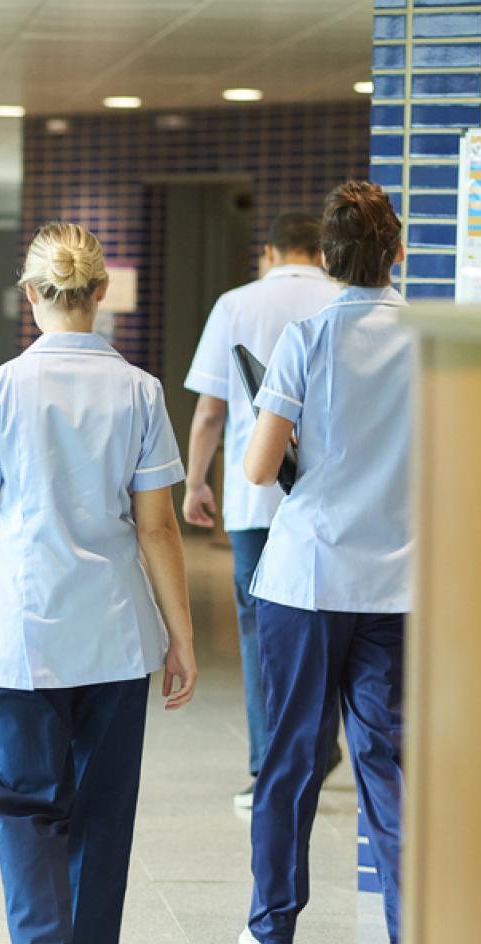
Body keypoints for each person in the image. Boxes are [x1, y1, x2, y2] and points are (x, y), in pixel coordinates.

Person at [0, 223, 199, 944]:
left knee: (23, 803)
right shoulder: (140, 391)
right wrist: (181, 635)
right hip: (117, 632)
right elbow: (158, 526)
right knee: (100, 809)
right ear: (101, 297)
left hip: (20, 624)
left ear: (32, 298)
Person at [235, 181, 413, 944]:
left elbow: (260, 467)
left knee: (291, 757)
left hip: (305, 583)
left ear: (331, 259)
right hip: (398, 583)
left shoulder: (307, 338)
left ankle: (273, 927)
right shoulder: (431, 341)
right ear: (397, 252)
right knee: (390, 761)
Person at [182, 212, 343, 809]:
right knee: (326, 621)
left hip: (254, 497)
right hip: (328, 496)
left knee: (259, 629)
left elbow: (209, 411)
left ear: (269, 252)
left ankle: (265, 763)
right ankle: (320, 743)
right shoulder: (343, 298)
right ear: (319, 252)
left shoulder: (236, 304)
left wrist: (197, 482)